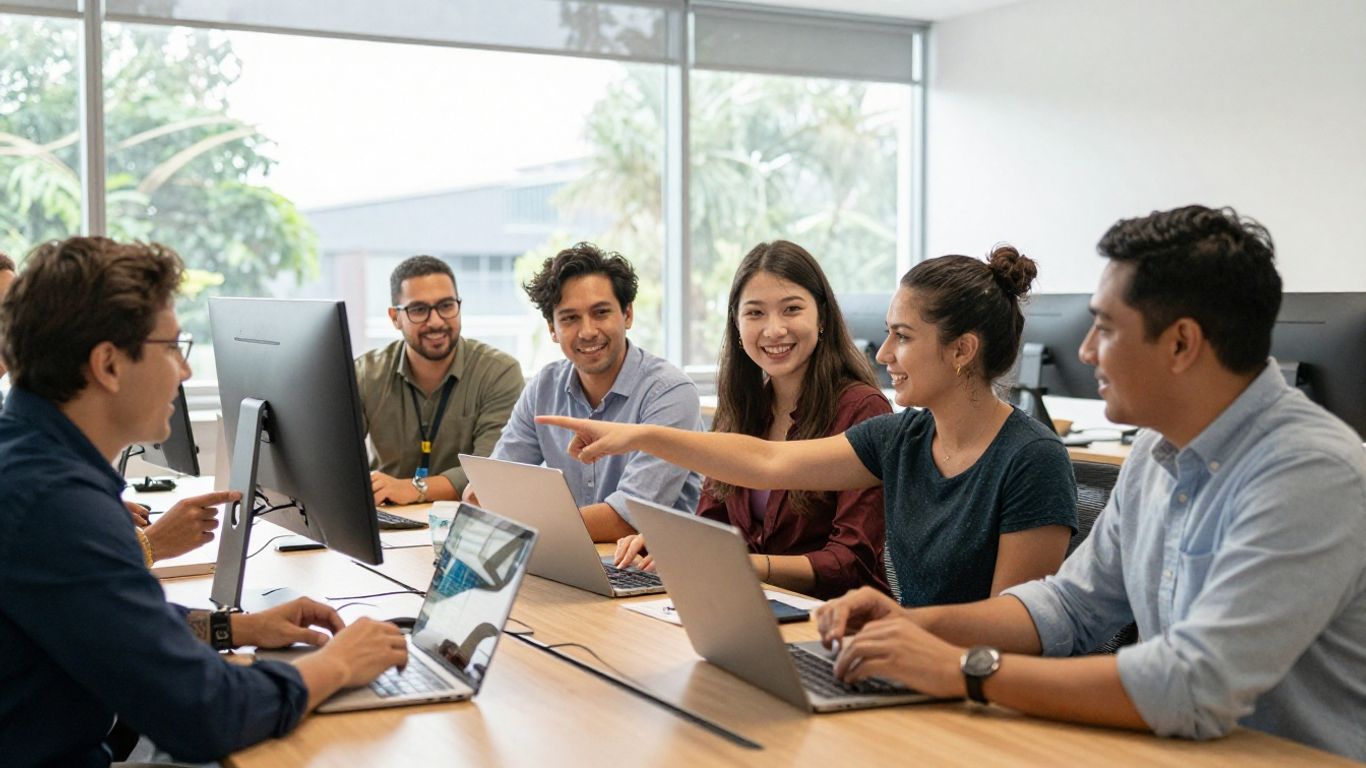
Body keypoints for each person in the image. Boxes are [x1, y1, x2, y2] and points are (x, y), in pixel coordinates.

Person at [814, 206, 1366, 762]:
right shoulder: (1156, 451)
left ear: (1180, 344)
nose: (1085, 352)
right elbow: (1069, 606)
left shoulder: (1311, 474)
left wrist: (962, 668)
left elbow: (1193, 684)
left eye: (1104, 328)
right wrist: (910, 626)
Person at [0, 236, 408, 766]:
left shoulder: (32, 459)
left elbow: (114, 623)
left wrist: (234, 628)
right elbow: (206, 714)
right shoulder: (54, 503)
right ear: (108, 365)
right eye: (171, 348)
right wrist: (339, 666)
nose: (185, 371)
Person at [540, 245, 1077, 605]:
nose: (885, 352)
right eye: (888, 333)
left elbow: (1015, 626)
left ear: (961, 351)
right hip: (898, 657)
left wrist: (893, 628)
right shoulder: (903, 437)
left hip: (971, 690)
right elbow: (769, 462)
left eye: (902, 337)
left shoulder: (1032, 458)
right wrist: (641, 438)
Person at [613, 240, 891, 599]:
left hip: (836, 619)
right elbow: (712, 525)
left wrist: (746, 565)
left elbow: (850, 562)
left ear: (822, 316)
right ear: (736, 323)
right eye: (755, 313)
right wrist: (671, 544)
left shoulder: (862, 409)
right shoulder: (742, 408)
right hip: (748, 603)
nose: (773, 330)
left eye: (791, 309)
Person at [470, 242, 702, 542]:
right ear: (552, 329)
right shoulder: (544, 388)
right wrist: (488, 497)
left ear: (627, 314)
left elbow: (629, 518)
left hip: (653, 570)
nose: (588, 331)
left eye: (601, 312)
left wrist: (520, 521)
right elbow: (494, 486)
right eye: (570, 318)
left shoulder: (669, 392)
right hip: (573, 556)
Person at [356, 255, 523, 506]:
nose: (436, 321)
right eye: (419, 310)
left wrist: (413, 488)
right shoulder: (366, 373)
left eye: (446, 306)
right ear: (395, 317)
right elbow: (336, 459)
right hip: (385, 515)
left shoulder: (499, 372)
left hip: (463, 519)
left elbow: (490, 470)